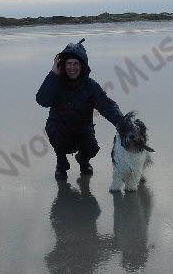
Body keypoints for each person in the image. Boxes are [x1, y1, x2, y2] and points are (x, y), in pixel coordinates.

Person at [36, 38, 124, 181]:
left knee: (92, 148)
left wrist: (122, 123)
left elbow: (107, 106)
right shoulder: (55, 82)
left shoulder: (91, 86)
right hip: (59, 127)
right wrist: (53, 74)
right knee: (56, 136)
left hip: (83, 129)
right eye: (69, 64)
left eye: (76, 64)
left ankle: (83, 162)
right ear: (63, 65)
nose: (72, 67)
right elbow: (42, 100)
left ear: (83, 66)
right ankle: (61, 163)